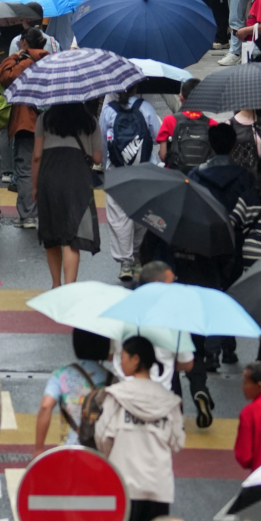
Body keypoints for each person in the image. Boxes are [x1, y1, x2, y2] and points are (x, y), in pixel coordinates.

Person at [95, 336, 185, 521]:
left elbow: (102, 436)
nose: (120, 361)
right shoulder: (170, 402)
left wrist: (114, 455)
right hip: (158, 487)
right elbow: (178, 442)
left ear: (136, 360)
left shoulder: (117, 396)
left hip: (125, 484)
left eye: (122, 356)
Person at [32, 101, 102, 288]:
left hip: (49, 177)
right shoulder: (90, 121)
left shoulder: (44, 119)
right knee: (72, 236)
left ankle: (56, 284)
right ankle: (70, 287)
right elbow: (97, 158)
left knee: (52, 233)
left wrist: (34, 186)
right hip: (78, 179)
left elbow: (37, 156)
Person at [100, 87, 160, 282]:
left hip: (116, 170)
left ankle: (125, 262)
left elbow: (102, 142)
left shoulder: (108, 111)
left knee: (118, 216)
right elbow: (158, 135)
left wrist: (103, 166)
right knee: (143, 212)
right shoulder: (146, 108)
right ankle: (138, 256)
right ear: (136, 87)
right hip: (143, 168)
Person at [0, 26, 50, 230]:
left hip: (27, 122)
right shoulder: (48, 61)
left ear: (25, 43)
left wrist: (15, 56)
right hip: (48, 122)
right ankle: (45, 212)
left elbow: (4, 76)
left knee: (27, 170)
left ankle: (28, 215)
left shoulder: (26, 63)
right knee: (45, 167)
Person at [34, 329, 113, 449]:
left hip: (70, 450)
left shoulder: (62, 375)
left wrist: (38, 449)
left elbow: (45, 406)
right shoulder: (112, 380)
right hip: (102, 453)